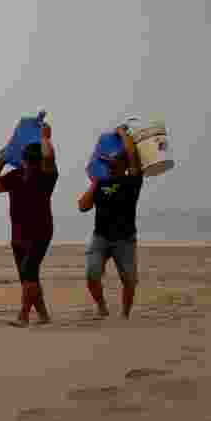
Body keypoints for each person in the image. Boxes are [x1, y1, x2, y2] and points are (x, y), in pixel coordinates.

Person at [0, 122, 58, 327]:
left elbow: (50, 157)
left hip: (40, 232)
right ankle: (43, 315)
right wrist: (1, 160)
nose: (29, 164)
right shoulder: (15, 176)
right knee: (28, 278)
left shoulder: (47, 176)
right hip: (18, 233)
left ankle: (24, 316)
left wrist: (45, 137)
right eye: (28, 160)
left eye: (33, 161)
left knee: (29, 272)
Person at [78, 125, 144, 319]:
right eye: (109, 159)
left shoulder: (132, 181)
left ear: (123, 164)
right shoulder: (101, 181)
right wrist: (96, 182)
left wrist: (123, 134)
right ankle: (101, 306)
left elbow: (132, 156)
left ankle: (125, 314)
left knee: (129, 281)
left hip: (125, 238)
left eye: (115, 159)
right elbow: (82, 206)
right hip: (101, 237)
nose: (111, 162)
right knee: (91, 275)